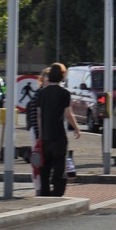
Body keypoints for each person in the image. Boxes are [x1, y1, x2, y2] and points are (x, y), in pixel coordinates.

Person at [36, 62, 81, 197]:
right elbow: (68, 113)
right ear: (62, 76)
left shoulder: (42, 93)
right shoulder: (64, 93)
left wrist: (40, 134)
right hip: (58, 136)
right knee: (59, 165)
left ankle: (44, 191)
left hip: (45, 136)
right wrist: (76, 128)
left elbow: (39, 115)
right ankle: (57, 191)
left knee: (44, 167)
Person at [26, 68, 49, 195]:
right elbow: (37, 116)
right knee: (38, 160)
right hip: (38, 133)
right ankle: (38, 188)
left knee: (40, 161)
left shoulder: (43, 93)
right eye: (47, 77)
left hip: (42, 133)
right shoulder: (40, 94)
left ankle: (40, 187)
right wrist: (38, 134)